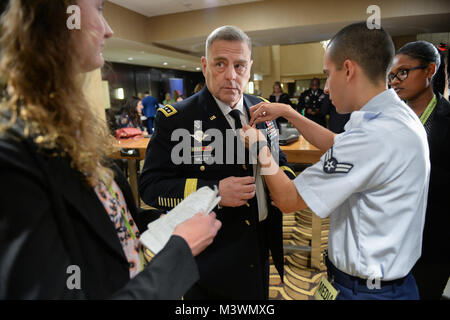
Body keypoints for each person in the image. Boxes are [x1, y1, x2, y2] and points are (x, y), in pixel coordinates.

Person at [0, 0, 221, 299]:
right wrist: (180, 250)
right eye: (100, 9)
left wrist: (167, 222)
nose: (109, 30)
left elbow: (110, 222)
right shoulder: (12, 151)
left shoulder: (65, 124)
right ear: (59, 17)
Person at [245, 22, 429, 300]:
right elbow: (337, 144)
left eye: (328, 75)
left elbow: (288, 199)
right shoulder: (392, 115)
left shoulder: (375, 135)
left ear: (349, 69)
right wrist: (288, 112)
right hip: (383, 282)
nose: (327, 88)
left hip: (367, 290)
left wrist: (260, 148)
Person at [139, 25, 295, 300]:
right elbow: (151, 187)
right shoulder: (177, 118)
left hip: (260, 243)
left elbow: (279, 158)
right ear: (204, 65)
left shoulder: (261, 107)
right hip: (210, 256)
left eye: (239, 65)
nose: (230, 76)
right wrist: (215, 191)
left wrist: (285, 183)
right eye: (220, 64)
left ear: (249, 67)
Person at [389, 40, 450, 300]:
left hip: (434, 240)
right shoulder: (386, 119)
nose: (394, 81)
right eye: (391, 75)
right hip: (390, 239)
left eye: (403, 72)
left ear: (430, 70)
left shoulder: (447, 120)